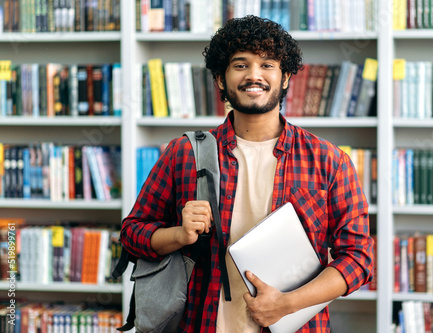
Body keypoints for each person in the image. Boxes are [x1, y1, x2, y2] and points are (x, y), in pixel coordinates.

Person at [120, 15, 374, 333]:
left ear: (284, 78)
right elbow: (131, 236)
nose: (254, 75)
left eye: (267, 64)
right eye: (240, 65)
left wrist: (289, 303)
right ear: (221, 80)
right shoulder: (184, 153)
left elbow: (358, 258)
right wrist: (178, 235)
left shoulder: (329, 161)